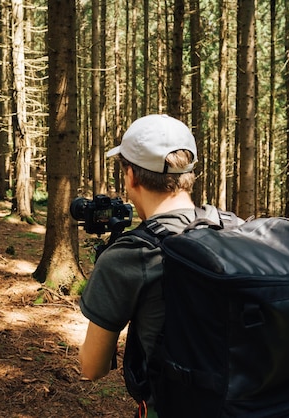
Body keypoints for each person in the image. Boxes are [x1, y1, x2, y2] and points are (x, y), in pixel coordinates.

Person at [78, 114, 205, 417]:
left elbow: (91, 367)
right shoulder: (226, 228)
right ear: (188, 174)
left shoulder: (132, 255)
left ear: (131, 176)